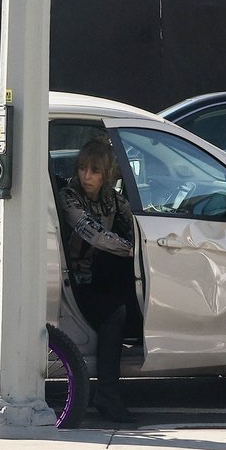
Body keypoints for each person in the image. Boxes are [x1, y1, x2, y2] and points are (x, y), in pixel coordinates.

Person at [56, 135, 138, 423]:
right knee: (114, 314)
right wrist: (129, 250)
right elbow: (90, 231)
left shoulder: (114, 200)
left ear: (107, 174)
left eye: (95, 171)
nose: (86, 176)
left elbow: (136, 228)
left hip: (98, 276)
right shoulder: (69, 196)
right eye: (82, 168)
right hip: (74, 281)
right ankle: (107, 395)